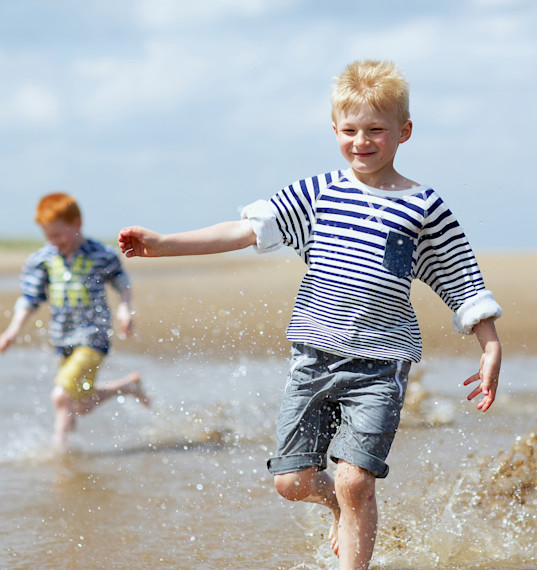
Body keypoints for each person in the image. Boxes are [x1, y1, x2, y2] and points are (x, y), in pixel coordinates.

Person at [118, 60, 502, 569]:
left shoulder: (422, 205)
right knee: (292, 482)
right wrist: (165, 244)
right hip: (313, 358)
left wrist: (490, 344)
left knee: (354, 479)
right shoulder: (317, 193)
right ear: (335, 131)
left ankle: (352, 519)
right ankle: (340, 511)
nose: (361, 141)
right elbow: (246, 231)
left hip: (380, 365)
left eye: (376, 130)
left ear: (403, 132)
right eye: (349, 130)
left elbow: (461, 278)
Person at [0, 192, 149, 450]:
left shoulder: (101, 254)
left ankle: (61, 455)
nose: (54, 242)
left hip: (93, 337)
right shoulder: (43, 260)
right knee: (80, 404)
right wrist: (12, 330)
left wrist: (125, 309)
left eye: (59, 234)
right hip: (63, 338)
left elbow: (121, 282)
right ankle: (128, 386)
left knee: (61, 395)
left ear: (77, 224)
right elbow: (30, 299)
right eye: (48, 236)